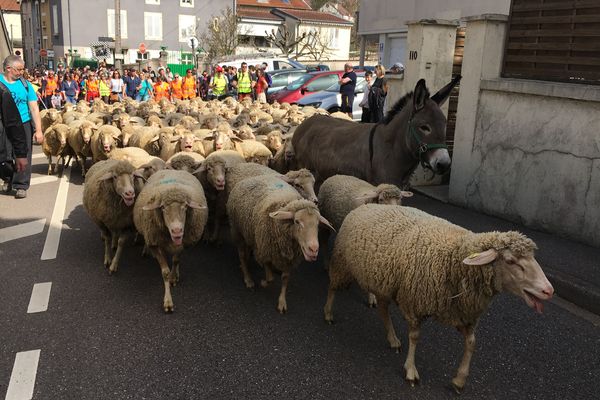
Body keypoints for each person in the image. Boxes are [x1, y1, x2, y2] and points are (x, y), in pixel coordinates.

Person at [0, 55, 43, 199]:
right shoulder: (0, 83)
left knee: (23, 154)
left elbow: (34, 108)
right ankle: (8, 177)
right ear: (8, 69)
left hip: (23, 123)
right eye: (18, 69)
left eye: (22, 69)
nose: (21, 72)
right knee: (4, 156)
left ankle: (21, 185)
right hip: (3, 125)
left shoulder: (25, 85)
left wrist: (38, 130)